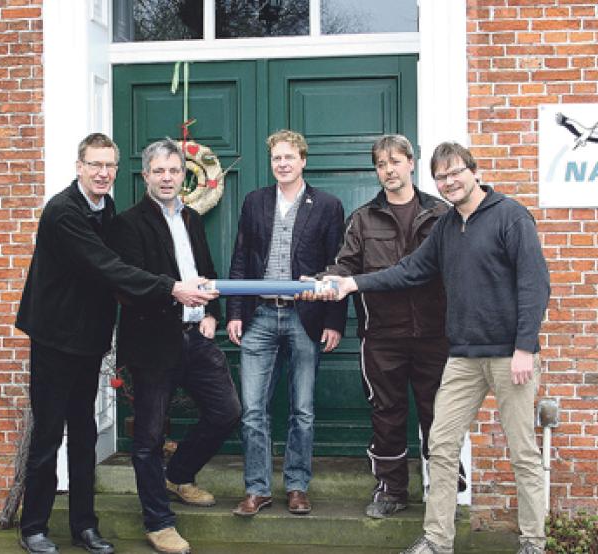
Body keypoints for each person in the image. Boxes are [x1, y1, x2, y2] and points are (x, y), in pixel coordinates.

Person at [320, 142, 550, 554]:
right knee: (441, 447)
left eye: (455, 173)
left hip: (507, 356)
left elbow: (534, 283)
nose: (449, 182)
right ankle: (438, 540)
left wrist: (525, 347)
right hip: (462, 356)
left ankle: (533, 541)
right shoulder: (446, 226)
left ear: (474, 171)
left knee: (523, 453)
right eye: (441, 177)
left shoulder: (510, 216)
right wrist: (353, 283)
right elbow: (409, 270)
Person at [14, 133, 216, 554]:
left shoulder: (106, 210)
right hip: (54, 338)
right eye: (95, 165)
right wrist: (172, 287)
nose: (103, 173)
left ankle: (84, 527)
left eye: (109, 165)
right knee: (49, 436)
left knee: (85, 435)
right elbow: (108, 267)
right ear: (79, 166)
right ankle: (33, 526)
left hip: (88, 340)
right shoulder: (63, 213)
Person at [314, 134, 466, 519]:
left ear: (411, 164)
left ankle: (444, 490)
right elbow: (344, 264)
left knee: (439, 414)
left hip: (436, 335)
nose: (388, 170)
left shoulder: (443, 214)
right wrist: (325, 280)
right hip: (382, 336)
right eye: (381, 165)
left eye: (395, 162)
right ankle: (391, 490)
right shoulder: (362, 219)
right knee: (387, 414)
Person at [107, 139, 242, 554]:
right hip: (152, 343)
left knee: (227, 412)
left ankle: (179, 473)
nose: (167, 178)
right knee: (148, 438)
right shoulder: (128, 224)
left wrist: (210, 315)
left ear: (184, 175)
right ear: (145, 175)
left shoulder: (193, 219)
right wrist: (174, 293)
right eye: (159, 171)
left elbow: (208, 274)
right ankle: (158, 521)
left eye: (174, 170)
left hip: (195, 337)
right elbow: (127, 284)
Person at [226, 129, 347, 517]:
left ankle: (297, 486)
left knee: (303, 409)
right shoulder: (255, 202)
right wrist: (234, 312)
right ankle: (257, 489)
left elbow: (337, 266)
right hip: (259, 314)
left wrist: (334, 321)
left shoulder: (327, 205)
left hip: (305, 317)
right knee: (252, 410)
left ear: (303, 160)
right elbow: (241, 258)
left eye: (289, 157)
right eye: (276, 158)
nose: (282, 164)